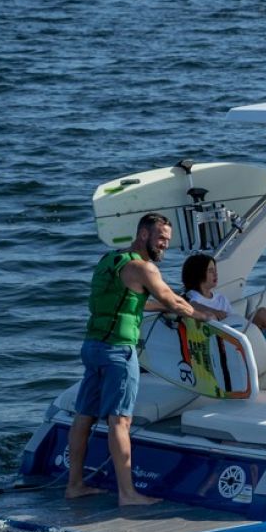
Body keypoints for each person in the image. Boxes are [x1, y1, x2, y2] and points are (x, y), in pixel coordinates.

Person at [66, 213, 206, 506]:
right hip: (118, 352)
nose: (164, 244)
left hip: (93, 347)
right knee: (120, 421)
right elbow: (171, 300)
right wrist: (203, 315)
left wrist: (160, 307)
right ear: (143, 235)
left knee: (84, 416)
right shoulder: (144, 268)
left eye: (167, 240)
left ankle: (74, 485)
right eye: (161, 238)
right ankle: (128, 494)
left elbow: (130, 300)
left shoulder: (110, 260)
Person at [178, 253, 266, 358]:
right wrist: (214, 312)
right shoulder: (191, 297)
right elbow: (189, 306)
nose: (216, 274)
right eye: (210, 271)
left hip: (236, 333)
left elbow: (234, 320)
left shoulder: (220, 298)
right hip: (222, 343)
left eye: (215, 270)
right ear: (198, 274)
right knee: (244, 341)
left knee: (261, 313)